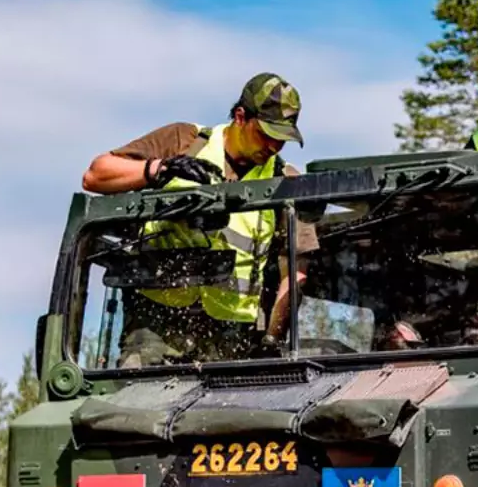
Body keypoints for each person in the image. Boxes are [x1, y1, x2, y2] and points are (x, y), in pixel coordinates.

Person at [80, 72, 317, 366]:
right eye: (267, 134)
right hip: (156, 322)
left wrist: (270, 340)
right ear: (241, 117)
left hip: (230, 334)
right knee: (133, 407)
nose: (273, 146)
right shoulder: (185, 141)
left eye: (282, 140)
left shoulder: (286, 182)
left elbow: (295, 273)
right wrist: (159, 169)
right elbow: (95, 176)